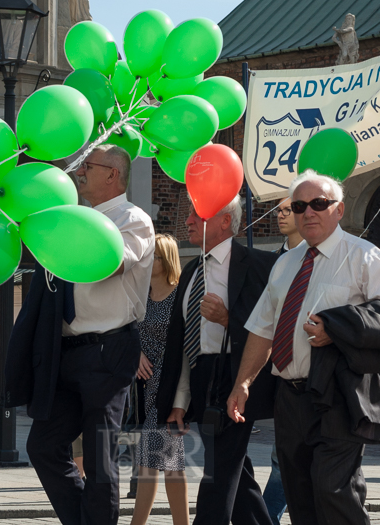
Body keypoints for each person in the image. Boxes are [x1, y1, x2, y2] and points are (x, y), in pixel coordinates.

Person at [226, 171, 380, 525]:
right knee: (300, 495)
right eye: (299, 205)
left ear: (339, 210)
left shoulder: (365, 257)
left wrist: (338, 328)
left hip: (340, 392)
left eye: (319, 203)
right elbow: (262, 328)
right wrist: (243, 382)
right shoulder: (284, 263)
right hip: (289, 396)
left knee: (334, 490)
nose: (308, 212)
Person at [24, 144, 155, 525]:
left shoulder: (134, 219)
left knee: (99, 458)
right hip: (66, 350)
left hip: (109, 349)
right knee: (43, 446)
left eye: (88, 166)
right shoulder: (76, 218)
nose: (79, 172)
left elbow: (108, 264)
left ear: (113, 174)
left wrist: (68, 229)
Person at [157, 195, 277, 525]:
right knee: (235, 473)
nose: (189, 221)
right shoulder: (191, 272)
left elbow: (269, 328)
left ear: (225, 221)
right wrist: (181, 400)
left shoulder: (257, 265)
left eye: (199, 214)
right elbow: (184, 343)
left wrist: (228, 319)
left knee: (218, 474)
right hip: (201, 378)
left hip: (237, 375)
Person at [131, 234, 187, 525]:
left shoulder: (180, 296)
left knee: (150, 461)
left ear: (167, 261)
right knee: (167, 464)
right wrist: (136, 352)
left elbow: (188, 352)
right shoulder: (141, 294)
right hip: (143, 390)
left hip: (168, 388)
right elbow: (127, 333)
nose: (148, 259)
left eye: (154, 255)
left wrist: (181, 400)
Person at [262, 198, 300, 525]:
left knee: (285, 456)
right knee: (284, 453)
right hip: (277, 368)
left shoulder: (316, 260)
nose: (281, 215)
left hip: (309, 369)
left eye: (288, 209)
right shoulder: (274, 260)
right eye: (279, 210)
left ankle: (266, 514)